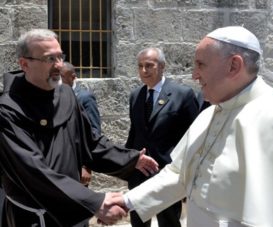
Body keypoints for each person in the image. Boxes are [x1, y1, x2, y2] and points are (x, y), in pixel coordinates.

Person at [114, 26, 273, 227]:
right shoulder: (207, 116)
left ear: (233, 65)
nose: (194, 75)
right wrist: (127, 201)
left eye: (201, 65)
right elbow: (179, 174)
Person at [0, 28, 159, 227]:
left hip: (73, 213)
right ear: (25, 64)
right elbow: (33, 170)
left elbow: (90, 143)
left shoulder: (66, 95)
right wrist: (94, 201)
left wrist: (131, 158)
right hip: (34, 217)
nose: (59, 65)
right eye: (50, 59)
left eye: (60, 56)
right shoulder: (7, 109)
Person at [125, 47, 200, 227]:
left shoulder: (182, 94)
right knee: (138, 222)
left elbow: (193, 135)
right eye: (140, 66)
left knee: (169, 222)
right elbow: (134, 133)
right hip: (140, 173)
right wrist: (128, 163)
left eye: (149, 65)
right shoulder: (136, 96)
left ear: (162, 66)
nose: (144, 71)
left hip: (167, 172)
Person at [61, 61, 101, 187]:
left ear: (72, 77)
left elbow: (94, 132)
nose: (58, 80)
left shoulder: (84, 97)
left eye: (61, 76)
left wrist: (86, 166)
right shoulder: (56, 95)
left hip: (78, 165)